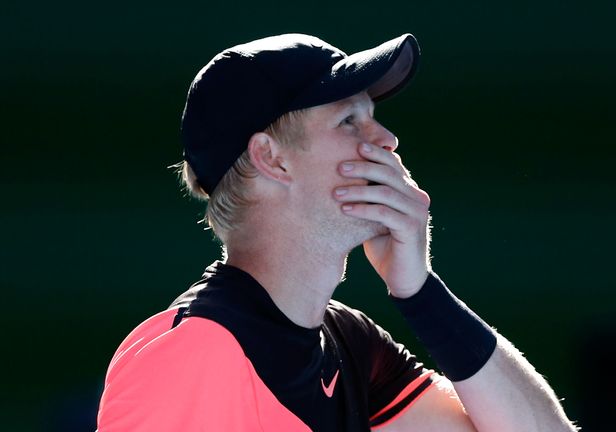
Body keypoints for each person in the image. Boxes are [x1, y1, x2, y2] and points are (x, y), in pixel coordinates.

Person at [96, 33, 578, 431]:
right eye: (349, 120)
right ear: (272, 158)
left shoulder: (347, 341)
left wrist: (420, 292)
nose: (386, 139)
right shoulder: (194, 352)